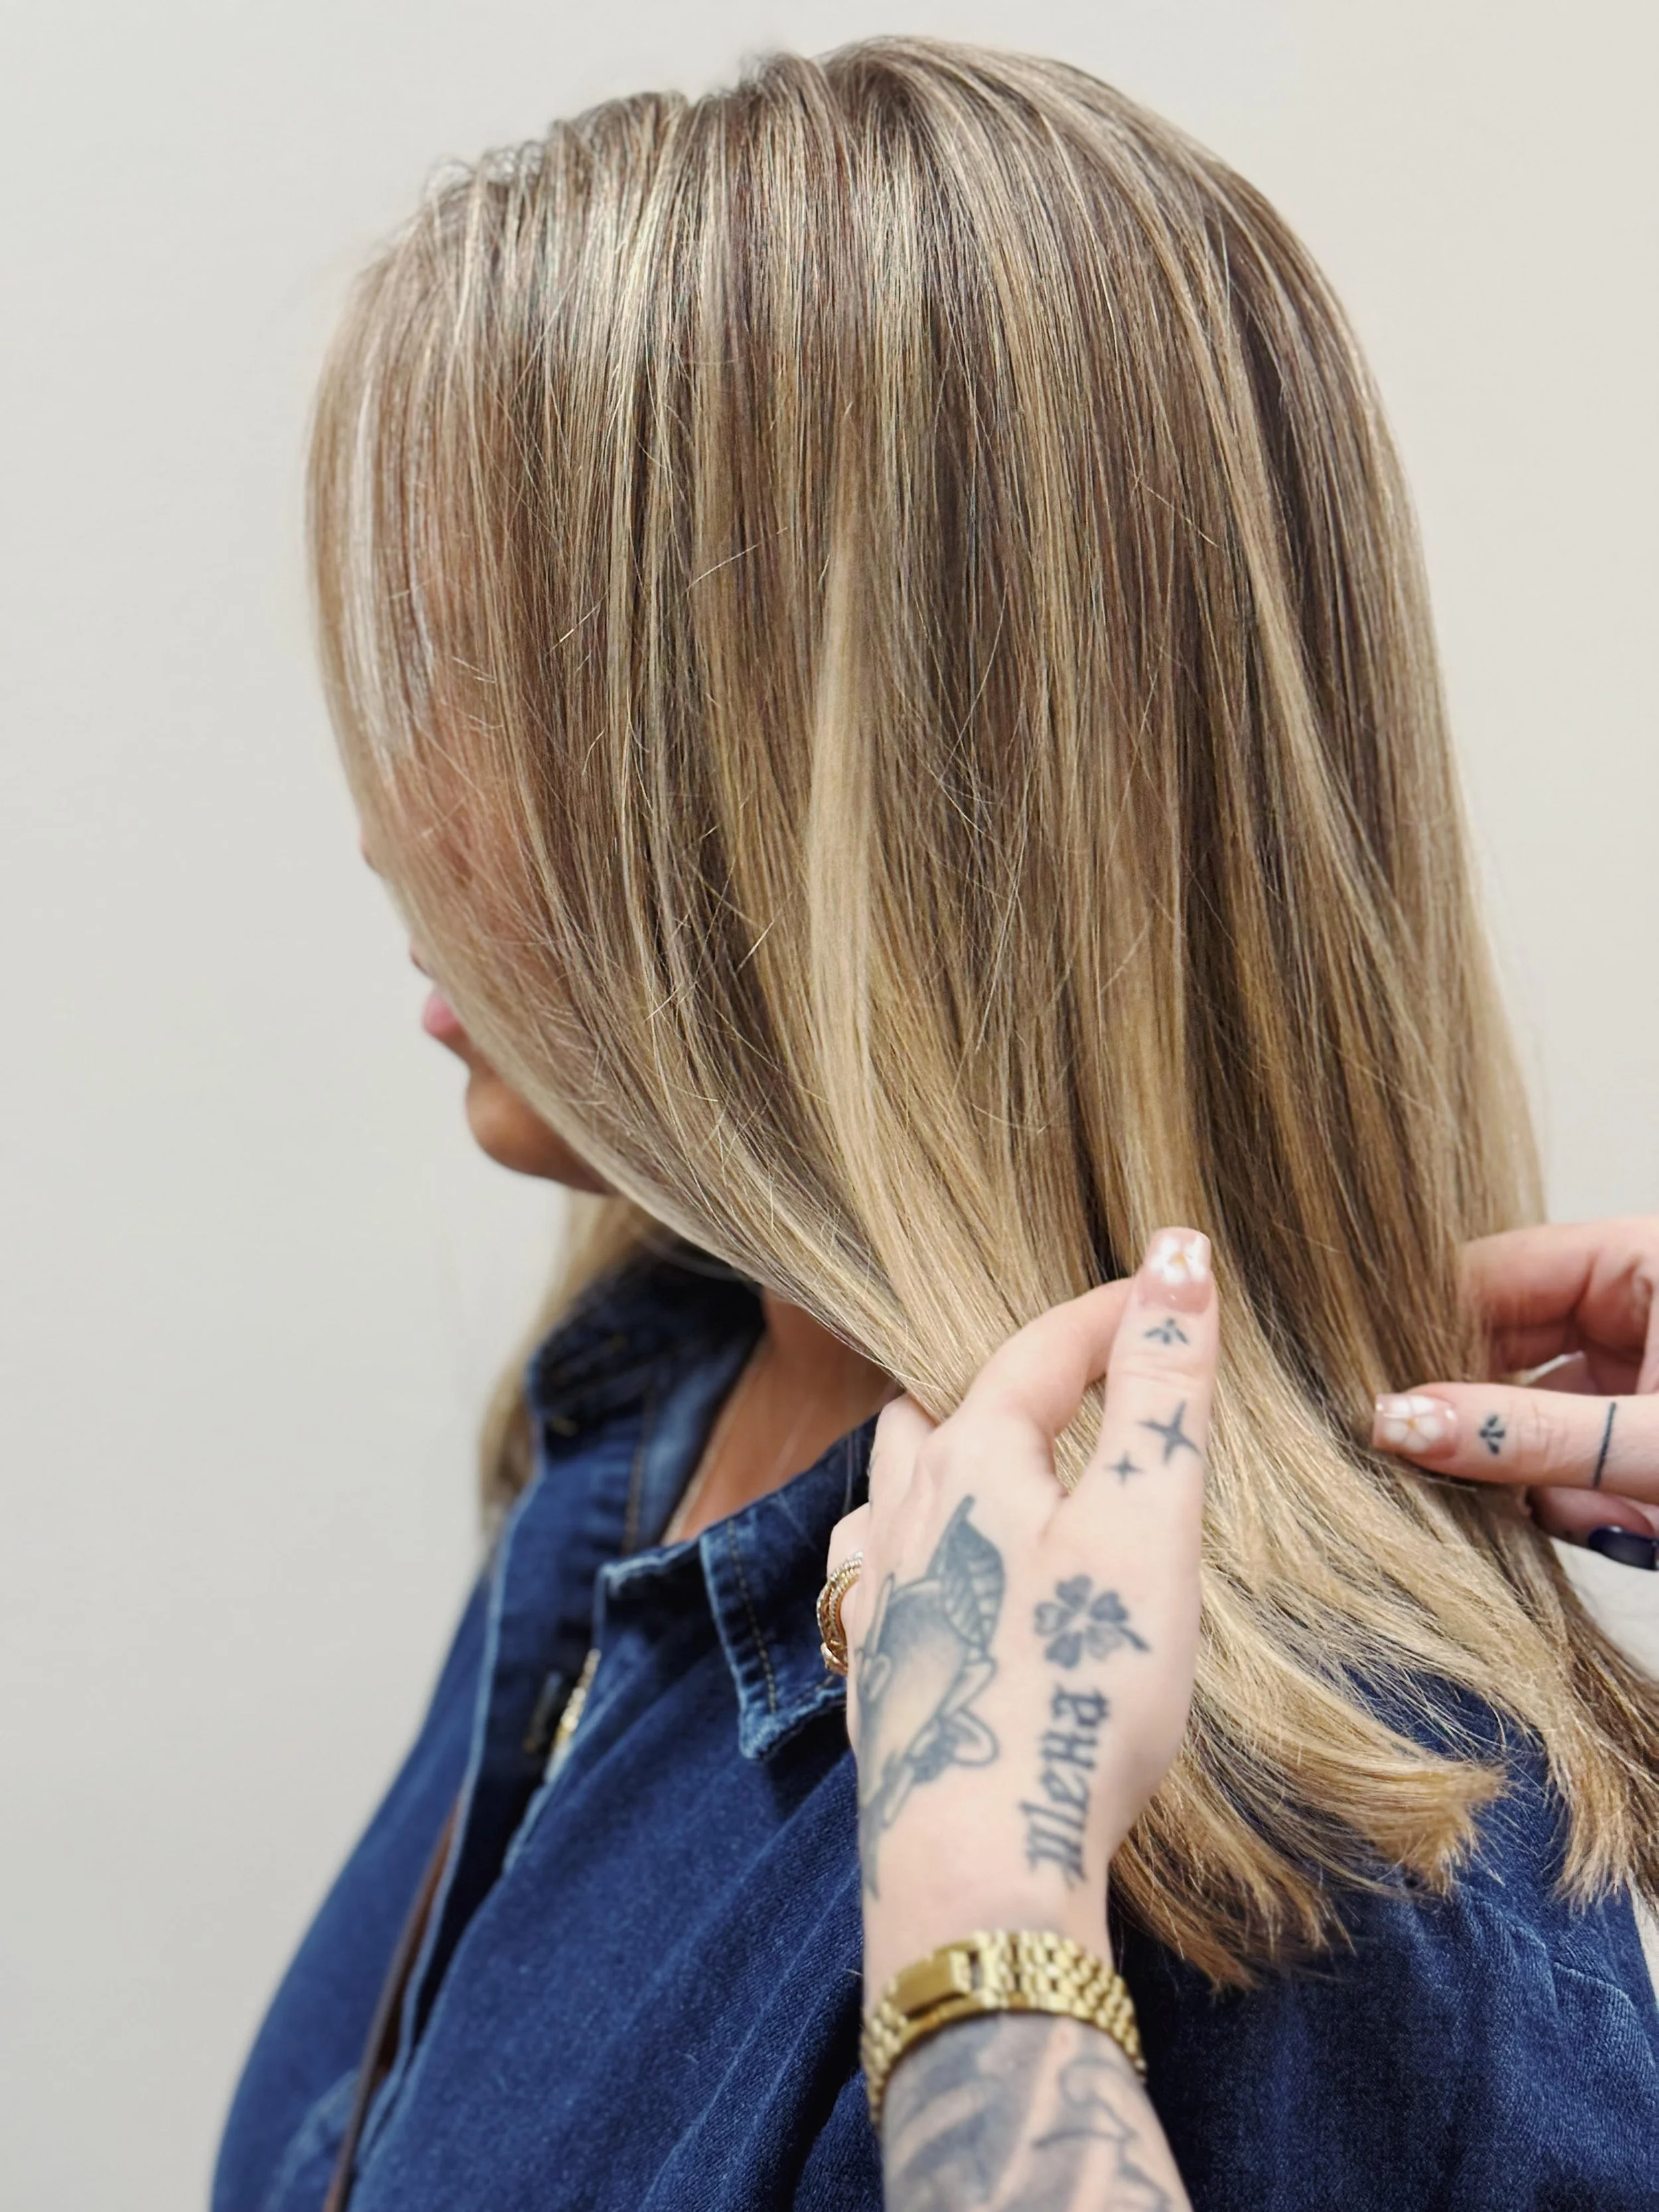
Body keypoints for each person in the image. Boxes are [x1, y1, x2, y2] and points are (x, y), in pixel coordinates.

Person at [213, 38, 1659, 2212]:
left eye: (477, 670)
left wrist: (984, 1935)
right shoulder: (655, 1409)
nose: (382, 821)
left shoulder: (1296, 1877)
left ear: (843, 808)